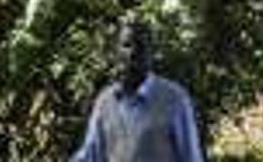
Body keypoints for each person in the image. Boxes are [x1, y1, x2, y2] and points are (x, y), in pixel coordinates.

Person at [72, 19, 204, 162]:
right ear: (116, 52)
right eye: (126, 45)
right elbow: (90, 155)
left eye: (140, 46)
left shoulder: (174, 99)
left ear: (151, 53)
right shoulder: (105, 101)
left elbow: (191, 157)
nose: (132, 52)